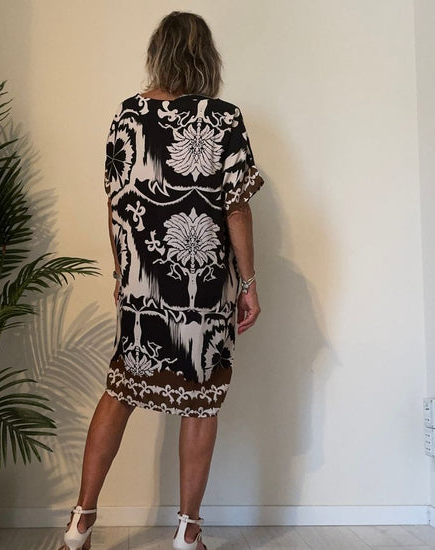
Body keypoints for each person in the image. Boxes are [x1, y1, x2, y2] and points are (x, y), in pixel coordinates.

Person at [59, 10, 265, 550]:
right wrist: (248, 283)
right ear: (206, 58)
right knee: (201, 401)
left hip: (142, 286)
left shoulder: (128, 114)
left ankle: (81, 519)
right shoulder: (224, 118)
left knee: (120, 390)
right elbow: (236, 208)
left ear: (159, 53)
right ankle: (187, 531)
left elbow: (116, 205)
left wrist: (121, 272)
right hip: (202, 289)